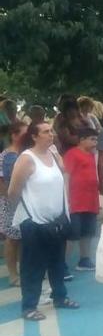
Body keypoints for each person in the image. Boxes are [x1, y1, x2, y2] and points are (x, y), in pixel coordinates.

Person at [8, 122, 78, 321]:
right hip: (33, 222)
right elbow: (14, 191)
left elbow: (63, 178)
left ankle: (60, 297)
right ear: (34, 136)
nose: (51, 134)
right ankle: (29, 306)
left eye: (51, 130)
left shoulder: (54, 155)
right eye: (46, 132)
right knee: (33, 266)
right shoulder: (26, 159)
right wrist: (28, 213)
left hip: (55, 220)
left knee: (57, 261)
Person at [63, 127, 100, 272]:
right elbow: (67, 176)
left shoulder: (92, 155)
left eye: (96, 139)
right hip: (75, 201)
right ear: (81, 140)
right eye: (92, 139)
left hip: (90, 200)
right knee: (72, 235)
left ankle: (84, 259)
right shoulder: (72, 154)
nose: (95, 142)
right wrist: (66, 198)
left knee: (88, 232)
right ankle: (61, 264)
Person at [0, 122, 27, 287]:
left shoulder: (26, 154)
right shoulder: (4, 157)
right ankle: (13, 274)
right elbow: (2, 184)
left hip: (26, 201)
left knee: (25, 238)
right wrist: (11, 199)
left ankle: (25, 270)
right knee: (12, 238)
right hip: (10, 202)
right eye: (24, 133)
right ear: (14, 135)